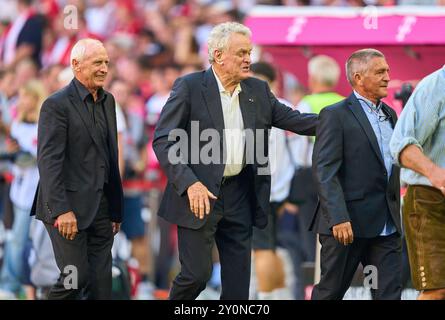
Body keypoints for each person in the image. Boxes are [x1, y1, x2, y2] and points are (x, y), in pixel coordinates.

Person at [153, 22, 317, 300]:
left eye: (249, 52)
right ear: (218, 56)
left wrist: (344, 118)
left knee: (238, 286)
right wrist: (188, 183)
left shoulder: (258, 90)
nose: (248, 59)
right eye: (241, 53)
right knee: (196, 275)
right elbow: (164, 140)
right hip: (198, 193)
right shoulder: (189, 87)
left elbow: (297, 121)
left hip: (240, 193)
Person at [31, 38, 124, 300]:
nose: (104, 68)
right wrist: (62, 210)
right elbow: (49, 162)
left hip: (102, 208)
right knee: (75, 278)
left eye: (106, 62)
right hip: (66, 208)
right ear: (76, 65)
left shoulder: (108, 101)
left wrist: (116, 207)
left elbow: (111, 155)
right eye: (97, 62)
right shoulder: (56, 105)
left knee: (101, 286)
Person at [310, 48, 402, 300]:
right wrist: (338, 217)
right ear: (359, 78)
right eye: (380, 72)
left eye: (387, 71)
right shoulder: (334, 114)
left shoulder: (390, 113)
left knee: (389, 294)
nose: (387, 77)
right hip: (346, 225)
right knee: (330, 293)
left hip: (387, 225)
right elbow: (324, 170)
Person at [390, 66, 445, 300]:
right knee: (436, 289)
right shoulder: (435, 86)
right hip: (429, 198)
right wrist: (435, 173)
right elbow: (400, 145)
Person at [249, 61, 297, 300]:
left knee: (261, 249)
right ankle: (279, 295)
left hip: (260, 190)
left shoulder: (252, 107)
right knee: (272, 246)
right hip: (282, 188)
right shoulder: (286, 106)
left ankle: (267, 299)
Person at [0, 80, 46, 299]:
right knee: (16, 239)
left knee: (35, 242)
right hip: (20, 190)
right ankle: (10, 284)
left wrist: (21, 153)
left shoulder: (43, 124)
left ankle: (34, 286)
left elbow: (35, 158)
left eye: (26, 96)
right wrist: (12, 151)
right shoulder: (18, 123)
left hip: (38, 191)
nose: (21, 100)